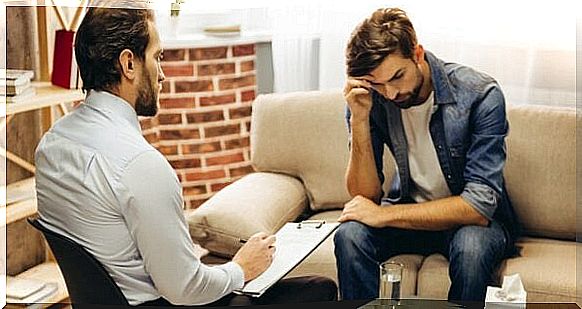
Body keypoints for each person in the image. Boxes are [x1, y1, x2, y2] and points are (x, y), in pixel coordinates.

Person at [35, 7, 337, 306]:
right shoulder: (139, 164)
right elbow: (185, 289)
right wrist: (242, 268)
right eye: (157, 57)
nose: (162, 74)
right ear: (129, 64)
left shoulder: (51, 146)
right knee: (317, 288)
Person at [334, 8, 519, 302]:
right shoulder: (372, 98)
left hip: (468, 223)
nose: (391, 93)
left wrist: (384, 214)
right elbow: (363, 197)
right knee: (350, 235)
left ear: (417, 54)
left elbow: (478, 207)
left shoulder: (480, 94)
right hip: (410, 215)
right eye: (378, 83)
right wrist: (358, 120)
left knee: (472, 246)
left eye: (397, 77)